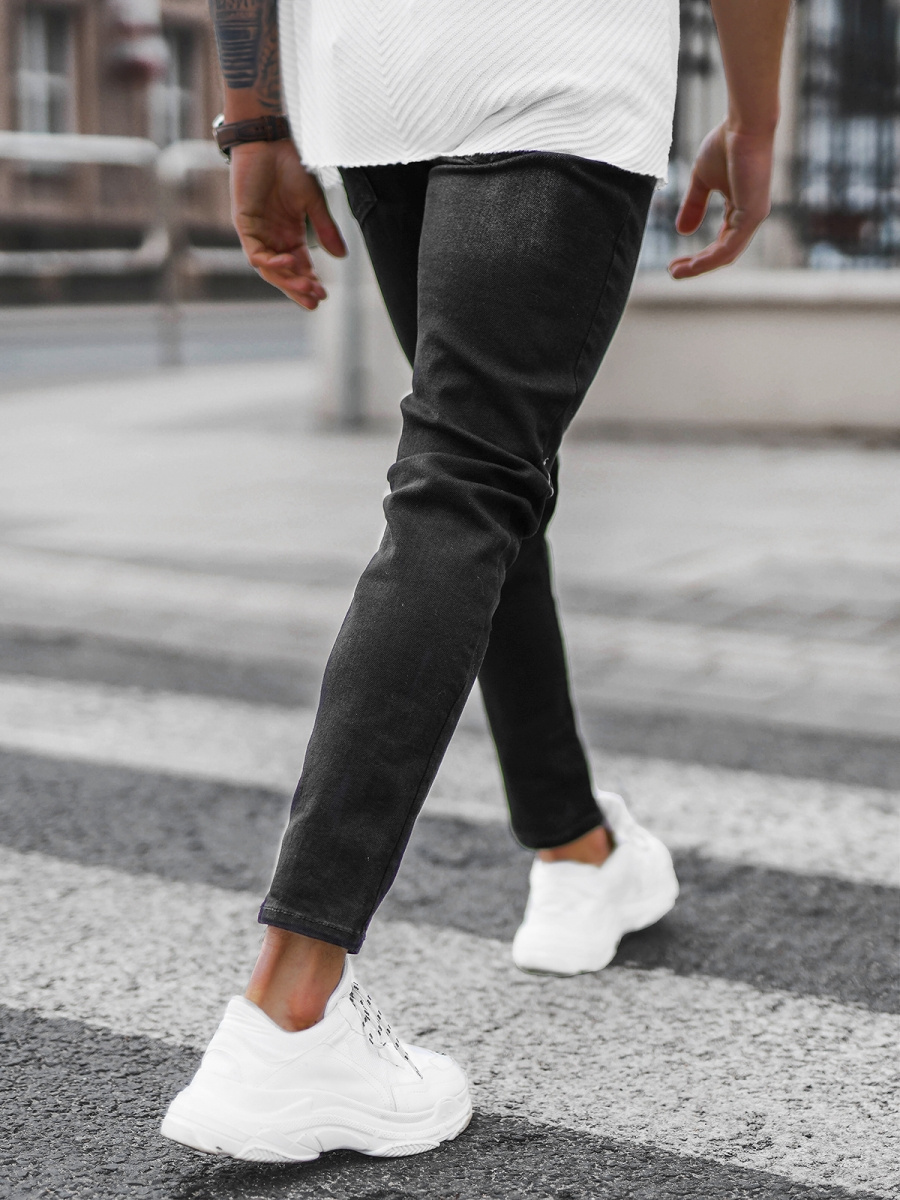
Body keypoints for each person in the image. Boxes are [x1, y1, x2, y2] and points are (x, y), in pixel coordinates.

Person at [161, 0, 791, 1164]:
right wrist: (755, 117)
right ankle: (290, 1013)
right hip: (556, 64)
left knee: (485, 472)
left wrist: (253, 123)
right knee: (466, 482)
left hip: (375, 81)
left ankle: (576, 850)